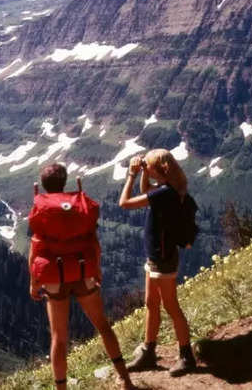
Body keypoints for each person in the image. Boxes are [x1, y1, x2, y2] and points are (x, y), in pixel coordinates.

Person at [29, 163, 137, 390]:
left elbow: (36, 249)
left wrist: (34, 282)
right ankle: (125, 378)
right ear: (64, 181)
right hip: (83, 270)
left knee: (59, 338)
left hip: (55, 277)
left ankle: (61, 388)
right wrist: (96, 269)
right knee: (103, 325)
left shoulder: (42, 208)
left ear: (45, 185)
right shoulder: (79, 205)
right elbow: (94, 243)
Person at [118, 149, 196, 376]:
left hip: (162, 259)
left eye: (149, 166)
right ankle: (148, 351)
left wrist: (131, 175)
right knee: (151, 303)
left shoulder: (165, 194)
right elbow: (146, 191)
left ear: (159, 170)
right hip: (155, 256)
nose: (146, 169)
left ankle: (186, 356)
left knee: (171, 306)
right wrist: (144, 172)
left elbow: (124, 203)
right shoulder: (168, 189)